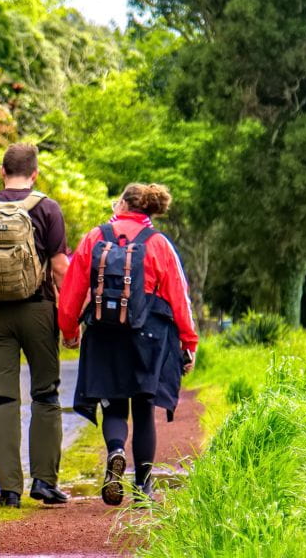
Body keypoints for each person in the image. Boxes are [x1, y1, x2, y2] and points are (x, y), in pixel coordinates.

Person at [56, 183, 198, 505]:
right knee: (144, 409)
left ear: (123, 204)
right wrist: (188, 342)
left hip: (104, 333)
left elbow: (72, 291)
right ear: (148, 209)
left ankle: (116, 451)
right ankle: (144, 487)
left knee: (114, 404)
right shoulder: (159, 243)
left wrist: (69, 331)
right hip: (147, 337)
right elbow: (179, 296)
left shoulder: (95, 237)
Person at [0, 143, 71, 508]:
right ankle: (44, 482)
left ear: (2, 172)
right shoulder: (47, 208)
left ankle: (8, 490)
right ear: (34, 173)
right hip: (39, 309)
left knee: (1, 398)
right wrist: (67, 318)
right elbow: (61, 268)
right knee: (45, 394)